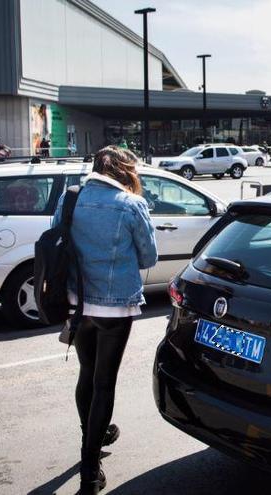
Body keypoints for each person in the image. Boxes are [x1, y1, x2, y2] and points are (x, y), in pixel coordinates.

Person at [52, 146, 157, 495]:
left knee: (87, 375)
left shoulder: (71, 197)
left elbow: (57, 239)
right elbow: (149, 256)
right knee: (104, 385)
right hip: (115, 308)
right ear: (125, 171)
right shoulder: (130, 204)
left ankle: (91, 443)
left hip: (77, 302)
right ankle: (89, 473)